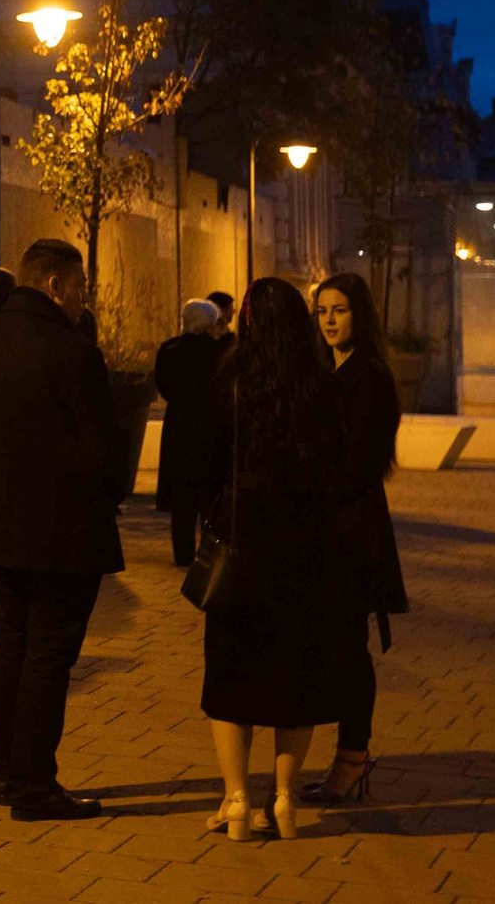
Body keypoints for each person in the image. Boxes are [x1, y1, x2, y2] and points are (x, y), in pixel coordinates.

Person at [0, 238, 127, 822]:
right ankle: (34, 783)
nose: (83, 303)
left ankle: (2, 767)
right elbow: (106, 447)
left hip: (6, 524)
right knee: (48, 656)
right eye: (80, 291)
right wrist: (109, 497)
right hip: (67, 528)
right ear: (56, 285)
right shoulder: (72, 350)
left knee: (12, 644)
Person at [199, 277, 355, 842]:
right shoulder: (322, 385)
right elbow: (341, 467)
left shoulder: (230, 380)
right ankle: (285, 801)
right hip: (307, 546)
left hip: (243, 546)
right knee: (296, 675)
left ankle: (236, 799)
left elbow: (206, 461)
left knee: (231, 671)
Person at [304, 272, 407, 806]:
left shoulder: (369, 377)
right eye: (322, 310)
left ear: (358, 315)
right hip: (327, 529)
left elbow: (357, 466)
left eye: (338, 310)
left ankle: (352, 758)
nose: (328, 320)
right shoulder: (327, 369)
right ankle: (345, 756)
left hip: (351, 530)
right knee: (335, 647)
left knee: (349, 650)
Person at [153, 299, 229, 568]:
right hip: (210, 427)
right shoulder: (218, 352)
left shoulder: (169, 349)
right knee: (210, 496)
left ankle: (182, 554)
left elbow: (162, 384)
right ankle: (209, 553)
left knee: (182, 499)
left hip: (179, 428)